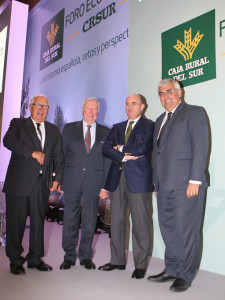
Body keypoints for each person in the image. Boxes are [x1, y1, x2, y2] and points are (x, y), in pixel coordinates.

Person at [147, 78, 209, 292]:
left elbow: (200, 147)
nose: (165, 96)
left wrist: (195, 180)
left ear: (179, 92)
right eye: (161, 93)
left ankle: (185, 274)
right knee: (168, 230)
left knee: (187, 231)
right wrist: (155, 183)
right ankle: (172, 269)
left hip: (186, 185)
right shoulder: (159, 120)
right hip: (163, 187)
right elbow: (158, 154)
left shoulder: (193, 113)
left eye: (169, 91)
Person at [3, 95, 64, 275]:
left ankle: (35, 259)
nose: (41, 109)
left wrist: (57, 179)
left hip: (41, 184)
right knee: (16, 223)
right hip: (18, 182)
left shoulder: (53, 130)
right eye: (38, 105)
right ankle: (15, 260)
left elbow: (59, 157)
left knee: (38, 222)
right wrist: (32, 152)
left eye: (45, 107)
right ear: (30, 107)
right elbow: (8, 141)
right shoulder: (18, 124)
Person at [98, 94, 154, 279]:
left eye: (134, 103)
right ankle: (117, 261)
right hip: (117, 179)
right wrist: (123, 155)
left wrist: (119, 148)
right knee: (117, 222)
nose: (130, 107)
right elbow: (106, 149)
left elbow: (142, 148)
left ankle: (140, 265)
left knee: (141, 224)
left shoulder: (149, 126)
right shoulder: (117, 127)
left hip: (139, 181)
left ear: (143, 106)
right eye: (127, 103)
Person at [59, 97, 111, 271]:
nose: (91, 112)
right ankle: (69, 256)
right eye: (88, 108)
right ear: (82, 110)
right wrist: (58, 179)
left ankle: (85, 256)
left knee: (89, 220)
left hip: (94, 183)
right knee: (70, 219)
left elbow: (107, 161)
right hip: (72, 180)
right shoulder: (69, 129)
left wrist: (105, 186)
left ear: (98, 112)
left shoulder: (106, 132)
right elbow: (61, 155)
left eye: (95, 109)